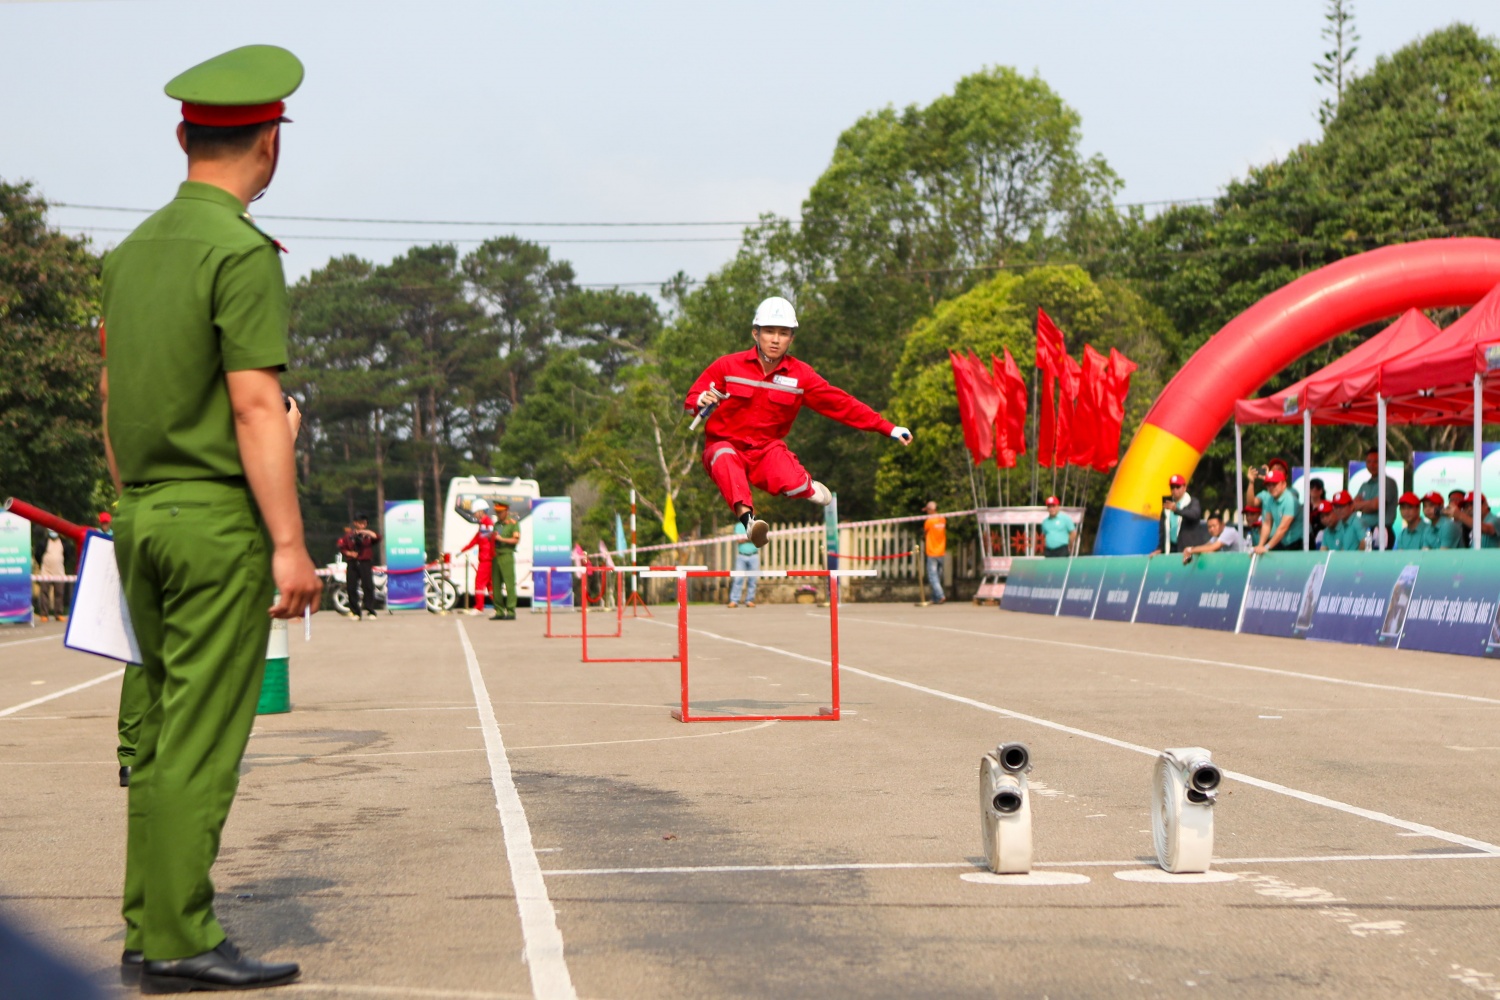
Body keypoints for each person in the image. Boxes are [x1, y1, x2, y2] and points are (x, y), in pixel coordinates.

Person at [99, 45, 319, 992]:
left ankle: (150, 927)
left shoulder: (130, 252)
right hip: (212, 524)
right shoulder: (238, 252)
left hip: (140, 514)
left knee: (152, 729)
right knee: (199, 736)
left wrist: (131, 505)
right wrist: (289, 544)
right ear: (269, 144)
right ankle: (183, 936)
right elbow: (255, 406)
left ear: (184, 135)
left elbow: (112, 396)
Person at [685, 296, 912, 547]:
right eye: (769, 332)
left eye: (783, 333)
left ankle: (805, 486)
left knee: (791, 482)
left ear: (791, 338)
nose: (775, 339)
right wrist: (700, 402)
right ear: (755, 333)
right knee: (724, 456)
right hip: (724, 445)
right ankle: (749, 522)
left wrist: (887, 427)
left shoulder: (801, 376)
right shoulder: (727, 366)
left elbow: (841, 404)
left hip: (766, 450)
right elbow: (693, 400)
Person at [1351, 447, 1399, 549]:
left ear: (1384, 462)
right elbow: (1353, 506)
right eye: (1369, 461)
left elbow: (1376, 505)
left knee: (1379, 562)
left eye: (1376, 461)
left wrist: (1363, 505)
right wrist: (1368, 504)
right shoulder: (1365, 485)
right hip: (1365, 531)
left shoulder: (1388, 482)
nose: (1372, 465)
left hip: (1382, 531)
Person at [337, 514, 380, 619]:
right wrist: (349, 553)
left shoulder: (368, 535)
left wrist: (364, 532)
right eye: (360, 522)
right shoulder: (348, 536)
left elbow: (377, 537)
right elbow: (342, 547)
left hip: (365, 562)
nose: (363, 524)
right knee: (351, 587)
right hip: (352, 563)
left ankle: (370, 610)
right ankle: (355, 611)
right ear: (355, 523)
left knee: (368, 586)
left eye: (364, 522)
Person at [1254, 469, 1303, 553]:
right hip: (1285, 541)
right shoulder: (1269, 499)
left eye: (1274, 484)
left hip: (1300, 541)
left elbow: (1283, 528)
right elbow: (1266, 524)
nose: (1271, 487)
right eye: (1268, 485)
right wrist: (1260, 545)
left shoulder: (1290, 500)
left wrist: (1266, 547)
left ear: (1284, 484)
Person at [1157, 473, 1208, 553]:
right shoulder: (1168, 506)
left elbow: (1194, 515)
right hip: (1172, 547)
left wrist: (1176, 510)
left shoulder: (1192, 502)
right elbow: (1163, 530)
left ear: (1184, 487)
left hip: (1190, 548)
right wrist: (1160, 548)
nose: (1175, 490)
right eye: (1172, 487)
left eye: (1178, 487)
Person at [489, 500, 520, 620]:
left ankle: (511, 611)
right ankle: (499, 610)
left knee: (509, 584)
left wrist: (502, 539)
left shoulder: (513, 524)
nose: (498, 514)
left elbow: (515, 540)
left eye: (500, 512)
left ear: (506, 511)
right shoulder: (497, 525)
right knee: (496, 585)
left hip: (507, 555)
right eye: (497, 512)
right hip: (496, 556)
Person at [1180, 513, 1249, 562]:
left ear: (1222, 524)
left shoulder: (1229, 532)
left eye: (1214, 526)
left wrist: (1191, 550)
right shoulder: (1217, 536)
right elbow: (1206, 547)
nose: (1212, 529)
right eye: (1209, 527)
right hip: (1236, 562)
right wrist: (1191, 552)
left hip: (1247, 561)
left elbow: (1212, 547)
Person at [727, 520, 760, 608]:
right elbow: (739, 540)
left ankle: (750, 600)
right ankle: (734, 600)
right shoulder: (738, 526)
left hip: (754, 555)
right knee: (738, 579)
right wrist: (749, 538)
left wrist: (746, 538)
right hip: (741, 556)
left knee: (752, 580)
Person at [37, 529, 67, 621]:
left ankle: (59, 614)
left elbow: (67, 555)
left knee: (59, 593)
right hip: (46, 572)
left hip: (59, 572)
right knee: (44, 592)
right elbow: (37, 555)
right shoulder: (44, 542)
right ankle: (44, 614)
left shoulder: (63, 542)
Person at [922, 500, 947, 604]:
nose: (927, 512)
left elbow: (925, 532)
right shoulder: (942, 519)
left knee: (933, 576)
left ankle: (940, 595)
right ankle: (935, 598)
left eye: (927, 510)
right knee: (938, 576)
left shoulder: (929, 521)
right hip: (941, 551)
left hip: (932, 551)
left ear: (931, 510)